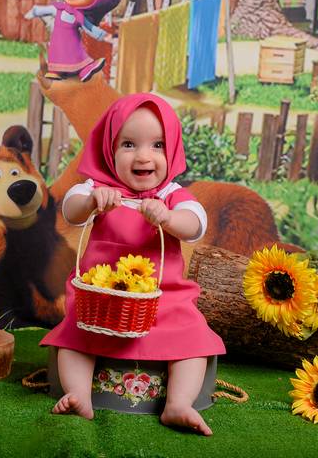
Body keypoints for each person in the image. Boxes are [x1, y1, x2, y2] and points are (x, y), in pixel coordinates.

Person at [40, 93, 226, 436]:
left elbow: (195, 223)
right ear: (109, 150)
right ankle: (78, 394)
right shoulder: (99, 188)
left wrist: (168, 218)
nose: (143, 156)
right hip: (101, 299)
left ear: (172, 151)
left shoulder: (171, 194)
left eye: (158, 145)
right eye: (128, 144)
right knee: (74, 336)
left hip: (162, 298)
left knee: (193, 338)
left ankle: (178, 403)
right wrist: (92, 201)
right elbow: (70, 209)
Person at [23, 0, 126, 82]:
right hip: (58, 41)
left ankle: (85, 70)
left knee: (77, 56)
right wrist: (35, 11)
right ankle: (55, 71)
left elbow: (87, 26)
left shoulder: (77, 14)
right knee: (56, 53)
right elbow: (47, 10)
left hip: (72, 42)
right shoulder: (60, 9)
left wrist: (99, 34)